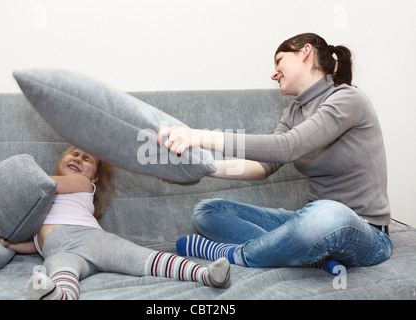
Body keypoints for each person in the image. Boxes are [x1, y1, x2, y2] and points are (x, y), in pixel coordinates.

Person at [156, 33, 392, 273]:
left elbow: (288, 146)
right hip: (310, 222)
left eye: (279, 61)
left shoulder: (347, 98)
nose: (274, 72)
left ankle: (236, 254)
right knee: (207, 211)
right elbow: (261, 167)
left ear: (305, 52)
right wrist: (200, 169)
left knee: (328, 212)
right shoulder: (293, 113)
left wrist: (199, 136)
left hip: (364, 232)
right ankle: (308, 254)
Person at [0, 146, 230, 300]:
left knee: (141, 259)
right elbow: (36, 243)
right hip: (57, 250)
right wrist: (13, 246)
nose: (77, 158)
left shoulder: (81, 184)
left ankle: (205, 274)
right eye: (73, 154)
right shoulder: (41, 202)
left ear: (94, 177)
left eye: (86, 159)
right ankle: (58, 296)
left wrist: (15, 179)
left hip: (91, 239)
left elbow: (44, 182)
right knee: (60, 272)